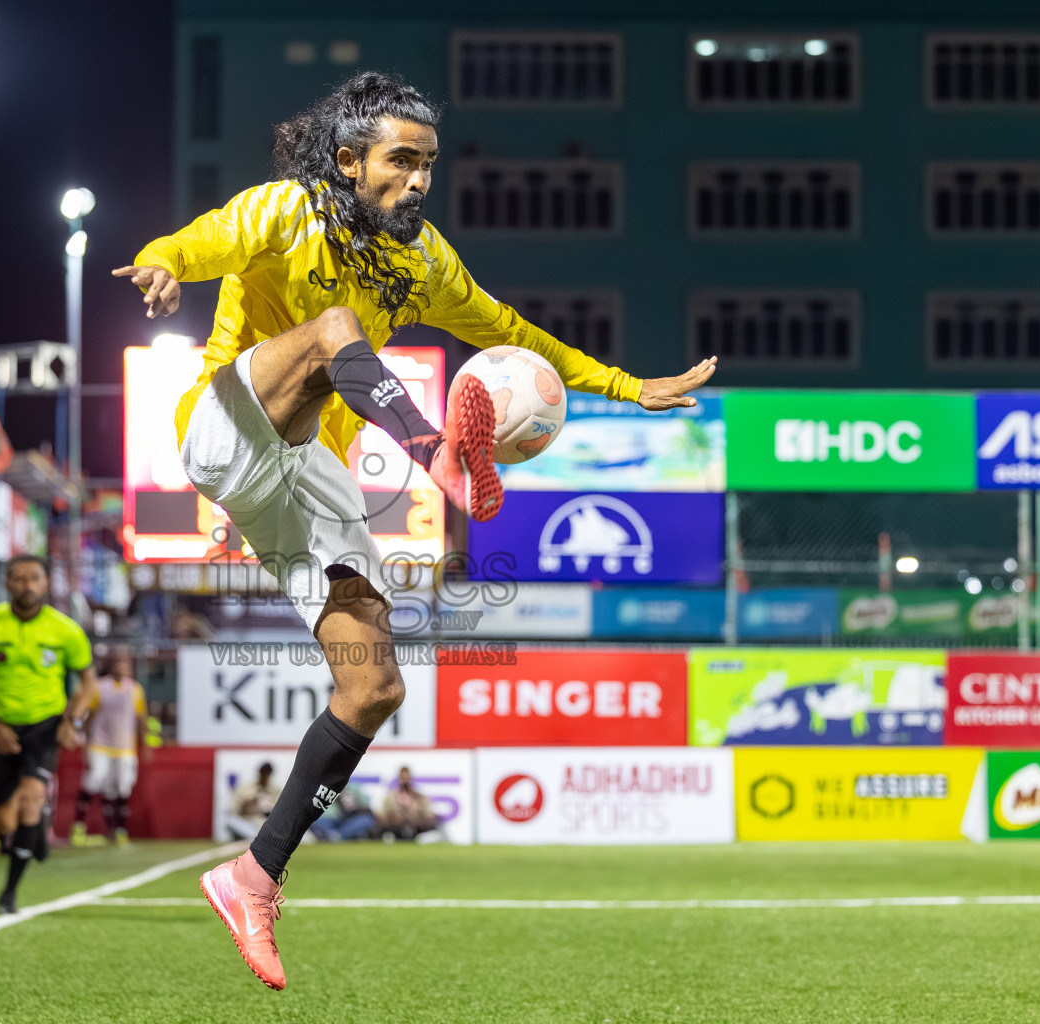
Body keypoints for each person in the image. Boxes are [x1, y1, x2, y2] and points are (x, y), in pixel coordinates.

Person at [116, 71, 716, 989]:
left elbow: (510, 330)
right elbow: (200, 242)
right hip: (226, 426)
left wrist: (629, 386)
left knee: (374, 687)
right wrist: (161, 257)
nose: (421, 180)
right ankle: (434, 447)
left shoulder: (424, 258)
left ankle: (252, 876)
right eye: (403, 161)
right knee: (332, 329)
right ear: (350, 160)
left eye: (429, 164)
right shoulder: (286, 211)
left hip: (308, 470)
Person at [0, 554, 97, 915]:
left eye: (34, 578)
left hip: (44, 725)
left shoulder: (65, 629)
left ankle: (9, 892)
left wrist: (73, 722)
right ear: (7, 583)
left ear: (46, 583)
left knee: (31, 798)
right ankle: (34, 835)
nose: (26, 585)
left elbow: (87, 682)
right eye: (18, 578)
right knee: (3, 820)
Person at [74, 648, 147, 846]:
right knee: (95, 780)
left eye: (125, 663)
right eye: (118, 663)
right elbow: (89, 717)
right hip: (100, 744)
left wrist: (145, 743)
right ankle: (78, 826)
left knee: (121, 787)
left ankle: (117, 830)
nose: (121, 667)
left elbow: (140, 718)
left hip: (125, 747)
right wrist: (86, 743)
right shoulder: (99, 687)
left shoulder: (135, 689)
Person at [376, 766, 441, 842]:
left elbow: (427, 812)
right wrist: (398, 806)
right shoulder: (390, 797)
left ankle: (421, 837)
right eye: (403, 777)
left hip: (416, 824)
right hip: (397, 825)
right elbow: (384, 813)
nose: (405, 779)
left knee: (433, 821)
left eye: (407, 776)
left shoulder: (419, 797)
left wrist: (412, 806)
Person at [225, 762, 281, 840]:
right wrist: (250, 800)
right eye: (263, 773)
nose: (265, 776)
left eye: (267, 774)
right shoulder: (247, 788)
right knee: (231, 821)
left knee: (262, 831)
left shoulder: (275, 791)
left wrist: (267, 806)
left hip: (261, 824)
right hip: (245, 822)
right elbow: (236, 810)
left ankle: (255, 838)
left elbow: (278, 813)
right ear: (259, 773)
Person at [310, 782, 375, 843]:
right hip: (331, 819)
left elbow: (366, 807)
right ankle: (334, 835)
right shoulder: (324, 787)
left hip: (351, 820)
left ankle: (335, 836)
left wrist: (354, 806)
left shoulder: (354, 788)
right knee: (316, 821)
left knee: (365, 820)